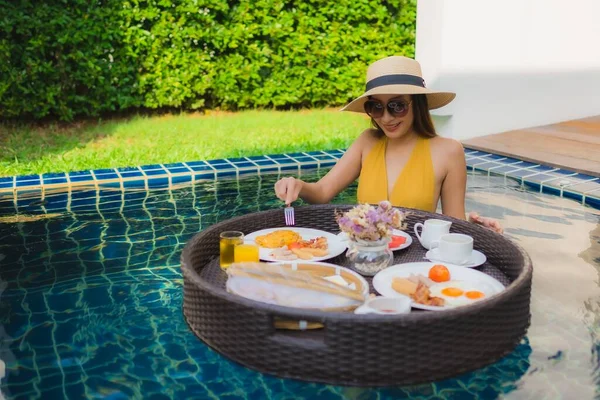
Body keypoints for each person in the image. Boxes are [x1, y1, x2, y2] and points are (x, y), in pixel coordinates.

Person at [274, 56, 503, 233]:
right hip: (365, 254)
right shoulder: (367, 142)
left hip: (416, 261)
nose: (386, 118)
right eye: (376, 107)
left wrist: (478, 230)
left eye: (397, 106)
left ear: (418, 104)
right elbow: (323, 192)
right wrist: (297, 185)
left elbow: (454, 223)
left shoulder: (448, 152)